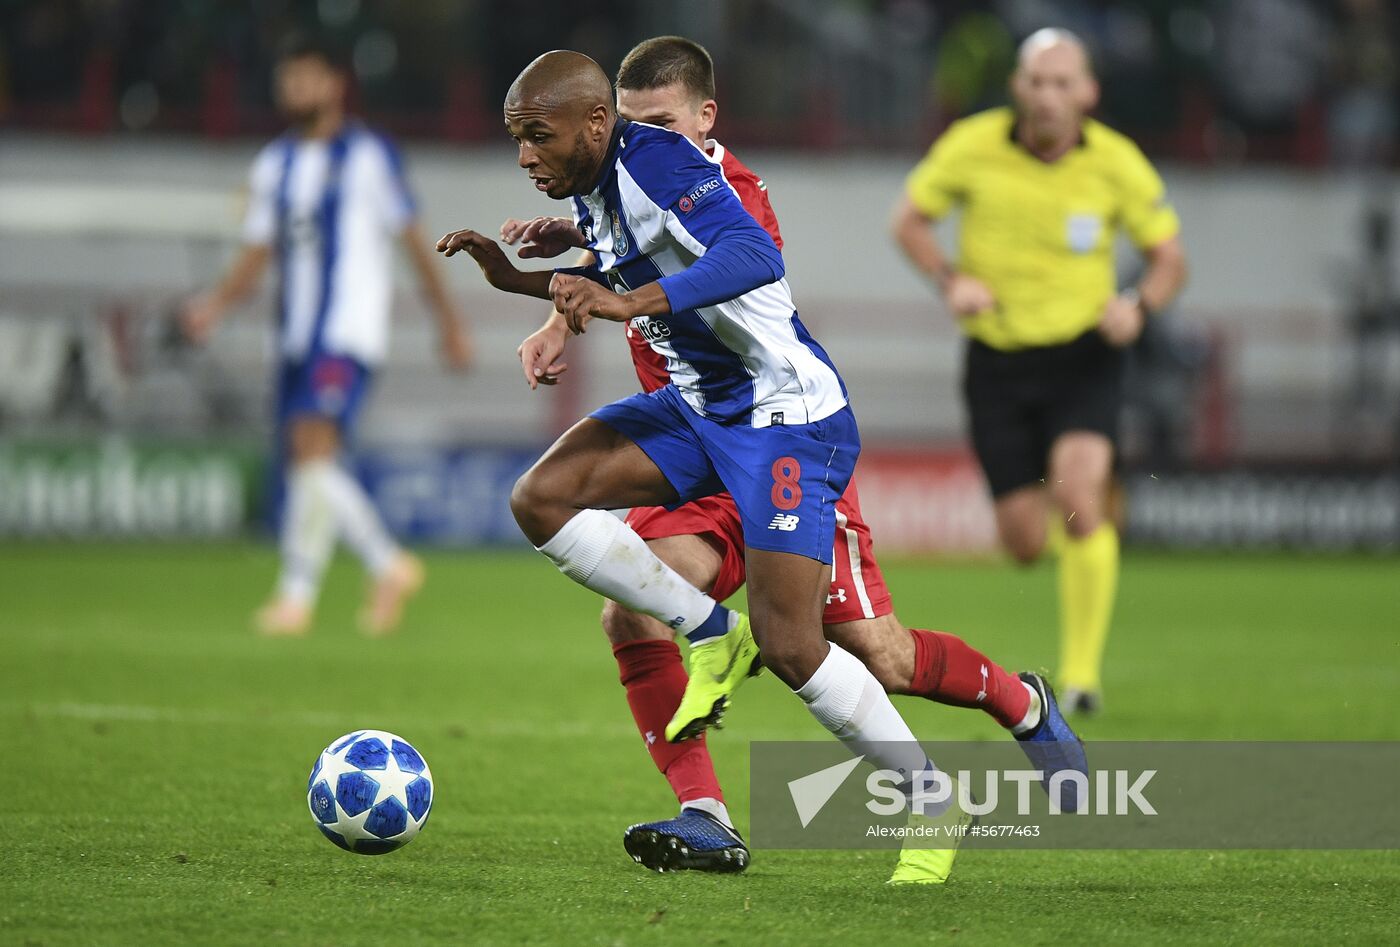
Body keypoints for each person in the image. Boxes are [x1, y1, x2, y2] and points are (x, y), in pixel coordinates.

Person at [440, 49, 1085, 885]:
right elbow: (624, 258)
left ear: (683, 120)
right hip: (697, 410)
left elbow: (750, 256)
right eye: (518, 139)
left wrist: (621, 300)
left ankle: (959, 768)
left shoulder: (682, 170)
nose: (525, 155)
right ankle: (708, 738)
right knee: (548, 506)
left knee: (828, 648)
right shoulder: (598, 181)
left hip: (783, 422)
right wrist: (525, 282)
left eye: (537, 136)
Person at [890, 28, 1188, 713]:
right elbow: (908, 221)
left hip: (1085, 354)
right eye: (1037, 81)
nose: (1048, 96)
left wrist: (1138, 306)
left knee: (1079, 494)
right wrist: (950, 279)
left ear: (1088, 92)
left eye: (1062, 83)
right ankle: (1086, 532)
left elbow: (1170, 259)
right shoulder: (971, 144)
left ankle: (1081, 680)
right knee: (1024, 542)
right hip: (997, 361)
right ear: (1017, 87)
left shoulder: (1117, 162)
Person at [183, 35, 473, 636]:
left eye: (307, 78)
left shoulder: (370, 155)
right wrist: (215, 305)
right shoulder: (275, 163)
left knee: (310, 448)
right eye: (287, 80)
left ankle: (355, 574)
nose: (295, 90)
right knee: (308, 460)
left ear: (335, 84)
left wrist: (447, 321)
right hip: (295, 336)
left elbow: (414, 242)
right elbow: (257, 252)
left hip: (346, 330)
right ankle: (325, 588)